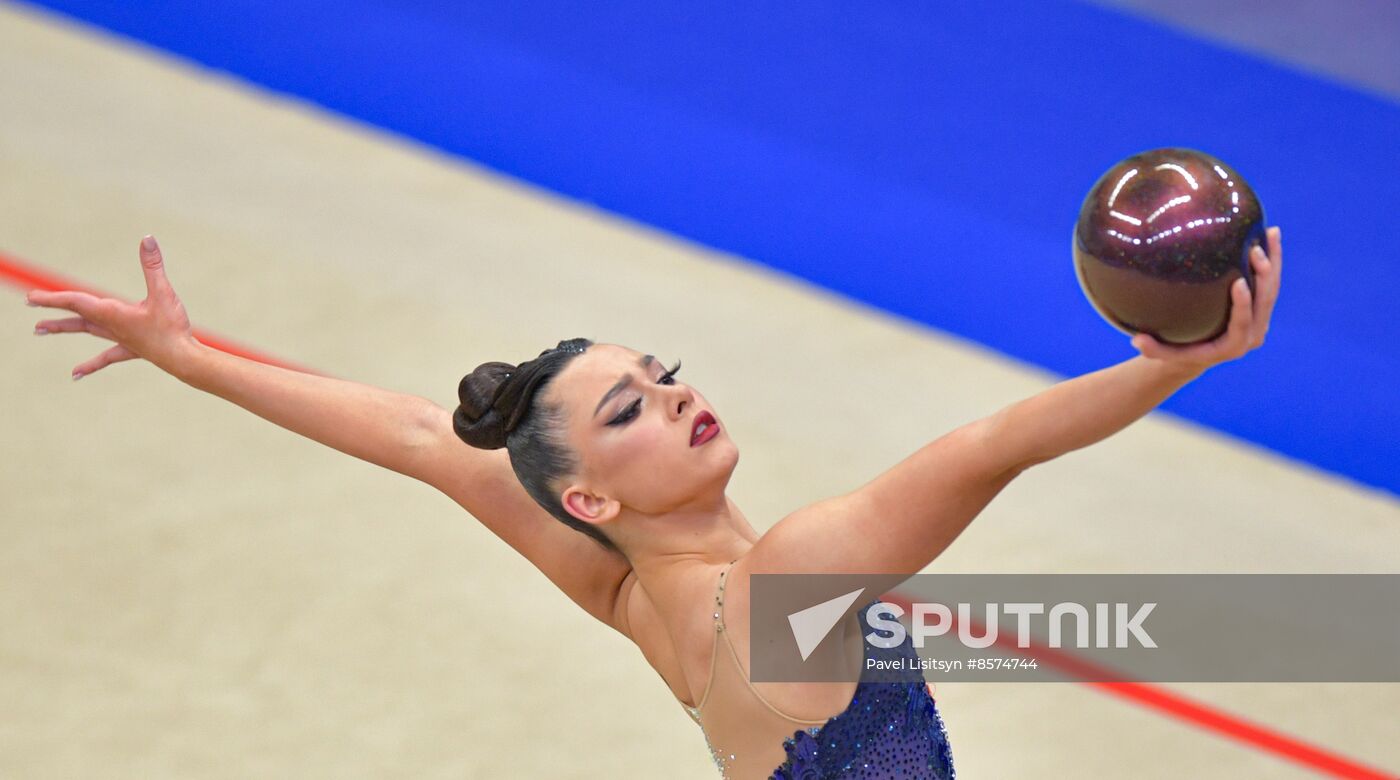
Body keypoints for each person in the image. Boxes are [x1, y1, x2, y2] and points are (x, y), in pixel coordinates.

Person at [25, 228, 1282, 778]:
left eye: (658, 376)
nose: (675, 399)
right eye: (630, 411)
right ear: (585, 489)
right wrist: (1170, 364)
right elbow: (983, 448)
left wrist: (189, 356)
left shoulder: (623, 582)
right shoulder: (788, 581)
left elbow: (417, 435)